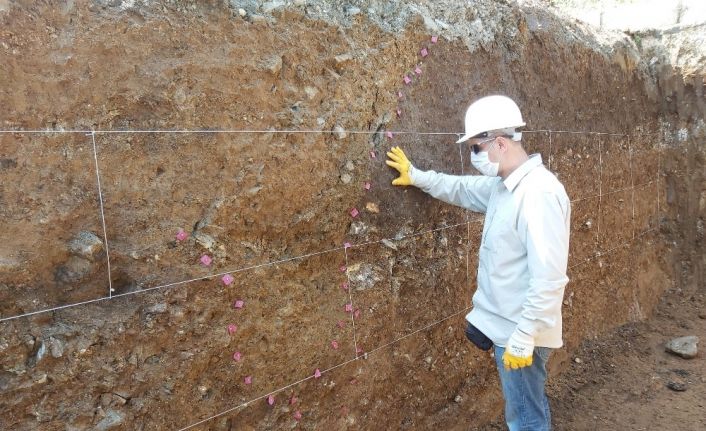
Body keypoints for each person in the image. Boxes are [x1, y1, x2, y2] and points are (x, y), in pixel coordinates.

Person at [385, 95, 570, 431]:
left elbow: (550, 278)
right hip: (508, 328)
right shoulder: (506, 187)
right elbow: (462, 189)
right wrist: (417, 176)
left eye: (475, 149)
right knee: (525, 408)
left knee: (526, 419)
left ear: (499, 142)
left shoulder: (538, 194)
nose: (473, 157)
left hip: (520, 331)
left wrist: (524, 336)